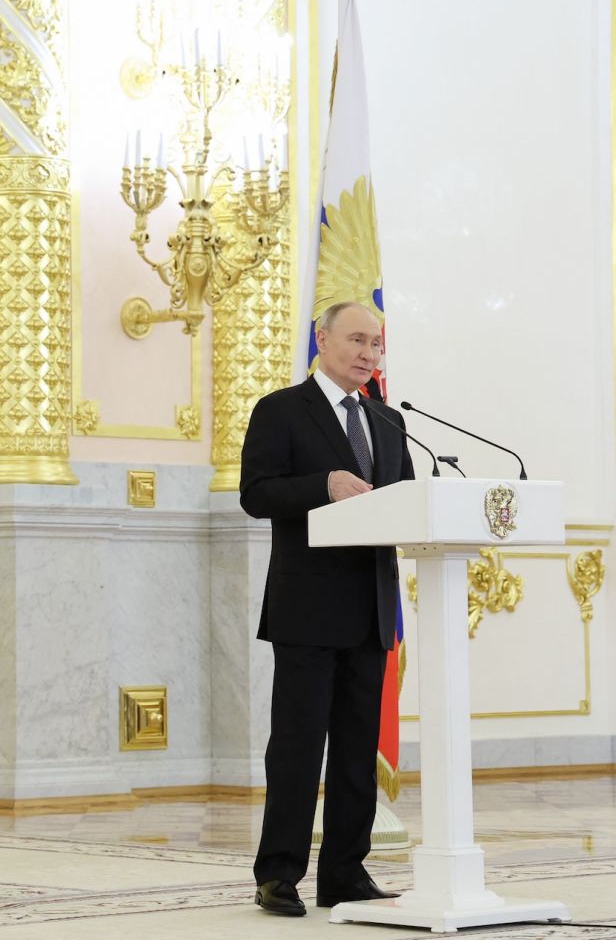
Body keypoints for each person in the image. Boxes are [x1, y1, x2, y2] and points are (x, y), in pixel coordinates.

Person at [240, 301, 414, 916]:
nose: (370, 354)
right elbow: (255, 494)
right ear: (322, 338)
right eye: (358, 340)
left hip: (370, 610)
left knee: (354, 752)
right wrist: (323, 486)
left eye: (377, 344)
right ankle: (278, 874)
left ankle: (344, 872)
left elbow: (407, 505)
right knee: (297, 745)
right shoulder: (280, 410)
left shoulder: (390, 422)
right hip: (308, 610)